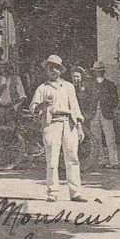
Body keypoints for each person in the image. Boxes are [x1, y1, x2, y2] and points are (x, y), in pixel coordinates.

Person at [30, 55, 87, 203]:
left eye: (56, 67)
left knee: (72, 157)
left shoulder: (68, 86)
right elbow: (33, 108)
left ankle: (75, 192)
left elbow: (74, 107)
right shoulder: (42, 88)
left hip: (69, 123)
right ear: (46, 70)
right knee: (52, 158)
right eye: (50, 68)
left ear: (60, 70)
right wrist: (43, 104)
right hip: (51, 124)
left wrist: (79, 127)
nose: (53, 70)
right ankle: (53, 191)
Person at [88, 60, 120, 169]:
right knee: (96, 138)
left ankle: (114, 161)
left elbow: (115, 100)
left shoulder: (110, 84)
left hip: (106, 113)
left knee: (110, 137)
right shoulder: (90, 85)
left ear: (104, 72)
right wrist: (88, 112)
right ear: (94, 72)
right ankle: (101, 161)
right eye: (96, 71)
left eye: (101, 71)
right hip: (93, 114)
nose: (98, 73)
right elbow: (86, 99)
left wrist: (110, 108)